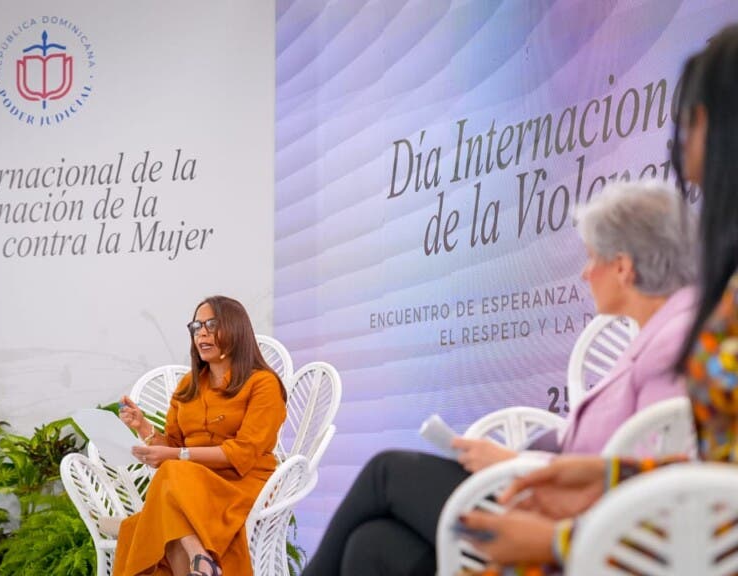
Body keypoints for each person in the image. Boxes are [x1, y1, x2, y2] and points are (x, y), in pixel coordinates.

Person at [460, 19, 738, 570]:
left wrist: (566, 545)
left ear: (731, 121)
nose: (684, 143)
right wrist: (614, 477)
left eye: (690, 120)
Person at [302, 180, 699, 576]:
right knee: (371, 545)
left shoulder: (673, 341)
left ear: (623, 267)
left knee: (386, 472)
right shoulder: (657, 335)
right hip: (546, 497)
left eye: (592, 258)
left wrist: (515, 461)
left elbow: (645, 475)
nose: (584, 273)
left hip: (565, 524)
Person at [113, 296, 287, 576]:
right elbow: (171, 446)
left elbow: (242, 453)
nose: (201, 333)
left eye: (211, 325)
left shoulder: (263, 384)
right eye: (196, 327)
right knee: (172, 486)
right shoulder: (188, 386)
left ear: (235, 329)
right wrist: (142, 426)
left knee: (167, 492)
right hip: (189, 485)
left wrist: (175, 455)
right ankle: (200, 559)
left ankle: (192, 553)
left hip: (243, 484)